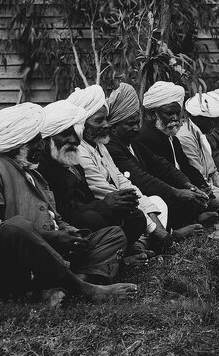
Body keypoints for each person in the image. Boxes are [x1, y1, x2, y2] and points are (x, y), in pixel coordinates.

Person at [0, 103, 137, 305]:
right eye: (35, 141)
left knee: (112, 235)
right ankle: (85, 288)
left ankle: (59, 287)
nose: (41, 146)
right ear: (19, 142)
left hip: (43, 256)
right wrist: (51, 237)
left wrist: (71, 233)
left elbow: (53, 217)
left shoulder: (32, 172)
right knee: (17, 227)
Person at [35, 100, 162, 264]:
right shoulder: (43, 168)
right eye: (66, 134)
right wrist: (105, 205)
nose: (75, 140)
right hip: (70, 228)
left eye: (75, 133)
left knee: (135, 216)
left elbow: (88, 198)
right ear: (47, 139)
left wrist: (116, 203)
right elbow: (62, 212)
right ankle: (115, 261)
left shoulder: (72, 163)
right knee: (92, 219)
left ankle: (119, 254)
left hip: (90, 216)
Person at [66, 85, 173, 242]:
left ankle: (151, 240)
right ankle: (150, 240)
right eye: (99, 120)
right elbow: (105, 191)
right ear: (81, 124)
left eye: (106, 119)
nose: (107, 125)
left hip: (120, 203)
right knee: (134, 215)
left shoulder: (100, 145)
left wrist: (152, 219)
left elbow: (122, 181)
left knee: (156, 202)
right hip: (100, 209)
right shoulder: (79, 151)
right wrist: (155, 228)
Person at [103, 83, 209, 238]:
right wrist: (177, 193)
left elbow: (160, 164)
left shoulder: (133, 141)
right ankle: (171, 234)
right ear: (113, 127)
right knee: (159, 201)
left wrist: (188, 186)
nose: (136, 128)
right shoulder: (112, 147)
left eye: (136, 123)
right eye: (130, 124)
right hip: (133, 200)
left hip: (147, 197)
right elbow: (141, 179)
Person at [135, 81, 219, 220]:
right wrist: (194, 191)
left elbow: (187, 167)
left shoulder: (171, 136)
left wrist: (202, 186)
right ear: (154, 114)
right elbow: (162, 178)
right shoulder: (146, 138)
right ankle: (195, 215)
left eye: (177, 113)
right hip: (172, 195)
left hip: (189, 190)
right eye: (169, 113)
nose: (175, 118)